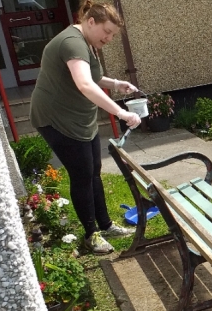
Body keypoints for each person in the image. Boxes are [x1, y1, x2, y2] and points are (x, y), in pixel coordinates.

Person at [30, 0, 141, 254]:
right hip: (58, 119)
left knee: (94, 171)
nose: (110, 38)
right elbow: (85, 85)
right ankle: (91, 236)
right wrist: (121, 112)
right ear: (90, 22)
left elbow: (91, 76)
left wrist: (115, 83)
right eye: (107, 32)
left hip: (79, 118)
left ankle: (105, 224)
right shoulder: (72, 42)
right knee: (82, 174)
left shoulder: (87, 42)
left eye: (113, 34)